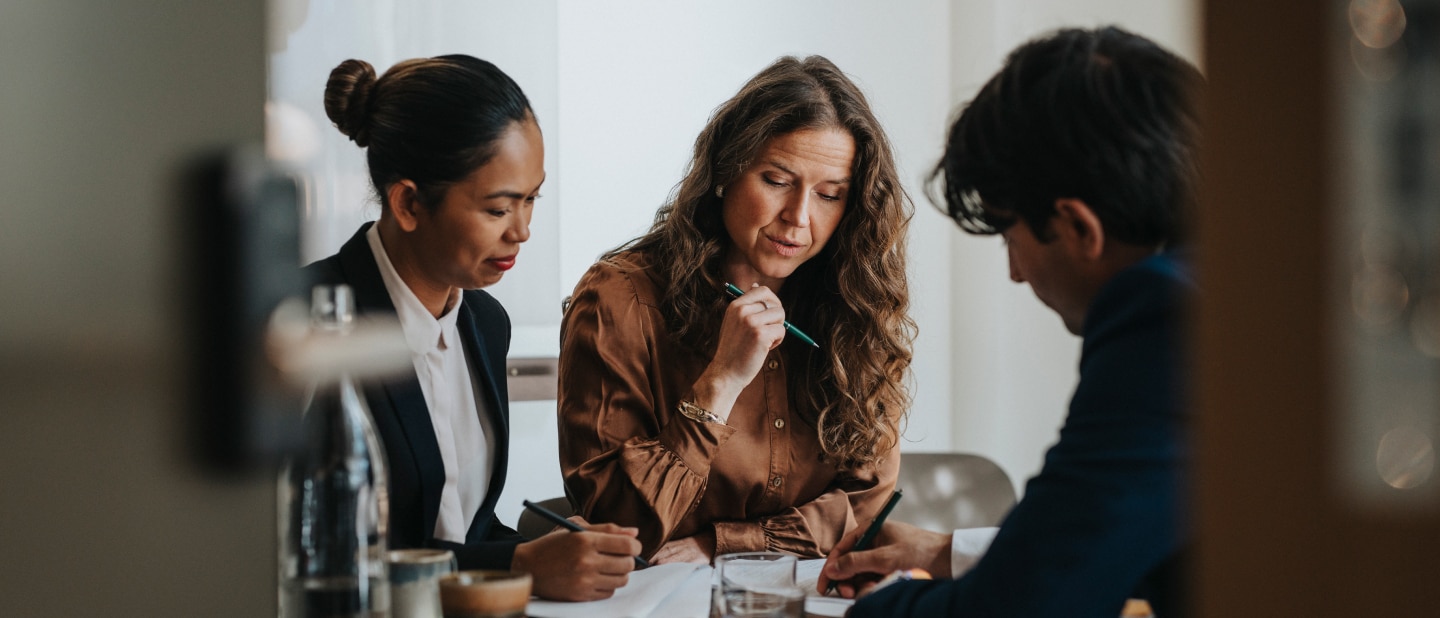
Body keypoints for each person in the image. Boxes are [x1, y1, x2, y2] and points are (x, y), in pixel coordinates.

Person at [819, 26, 1202, 617]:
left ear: (1078, 229)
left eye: (1008, 235)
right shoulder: (1236, 290)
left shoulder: (1157, 316)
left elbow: (1021, 606)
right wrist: (948, 551)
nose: (1016, 274)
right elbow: (1113, 535)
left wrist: (868, 611)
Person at [304, 55, 641, 601]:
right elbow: (319, 554)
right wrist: (520, 563)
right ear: (409, 202)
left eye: (532, 198)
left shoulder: (485, 322)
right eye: (499, 209)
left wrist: (568, 554)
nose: (524, 231)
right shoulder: (311, 321)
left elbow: (466, 531)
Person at [557, 56, 916, 564]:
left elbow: (866, 500)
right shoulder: (621, 299)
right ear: (726, 171)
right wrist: (721, 381)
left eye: (830, 195)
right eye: (776, 181)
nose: (798, 217)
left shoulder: (855, 304)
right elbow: (614, 522)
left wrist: (720, 546)